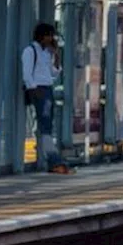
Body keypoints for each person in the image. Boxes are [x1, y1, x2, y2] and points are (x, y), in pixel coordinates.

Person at [22, 23, 71, 174]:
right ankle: (53, 159)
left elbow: (54, 72)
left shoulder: (47, 52)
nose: (51, 39)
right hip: (38, 89)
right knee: (45, 126)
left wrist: (55, 54)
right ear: (42, 36)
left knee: (48, 125)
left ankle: (50, 159)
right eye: (49, 35)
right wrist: (32, 88)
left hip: (47, 87)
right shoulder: (30, 51)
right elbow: (27, 73)